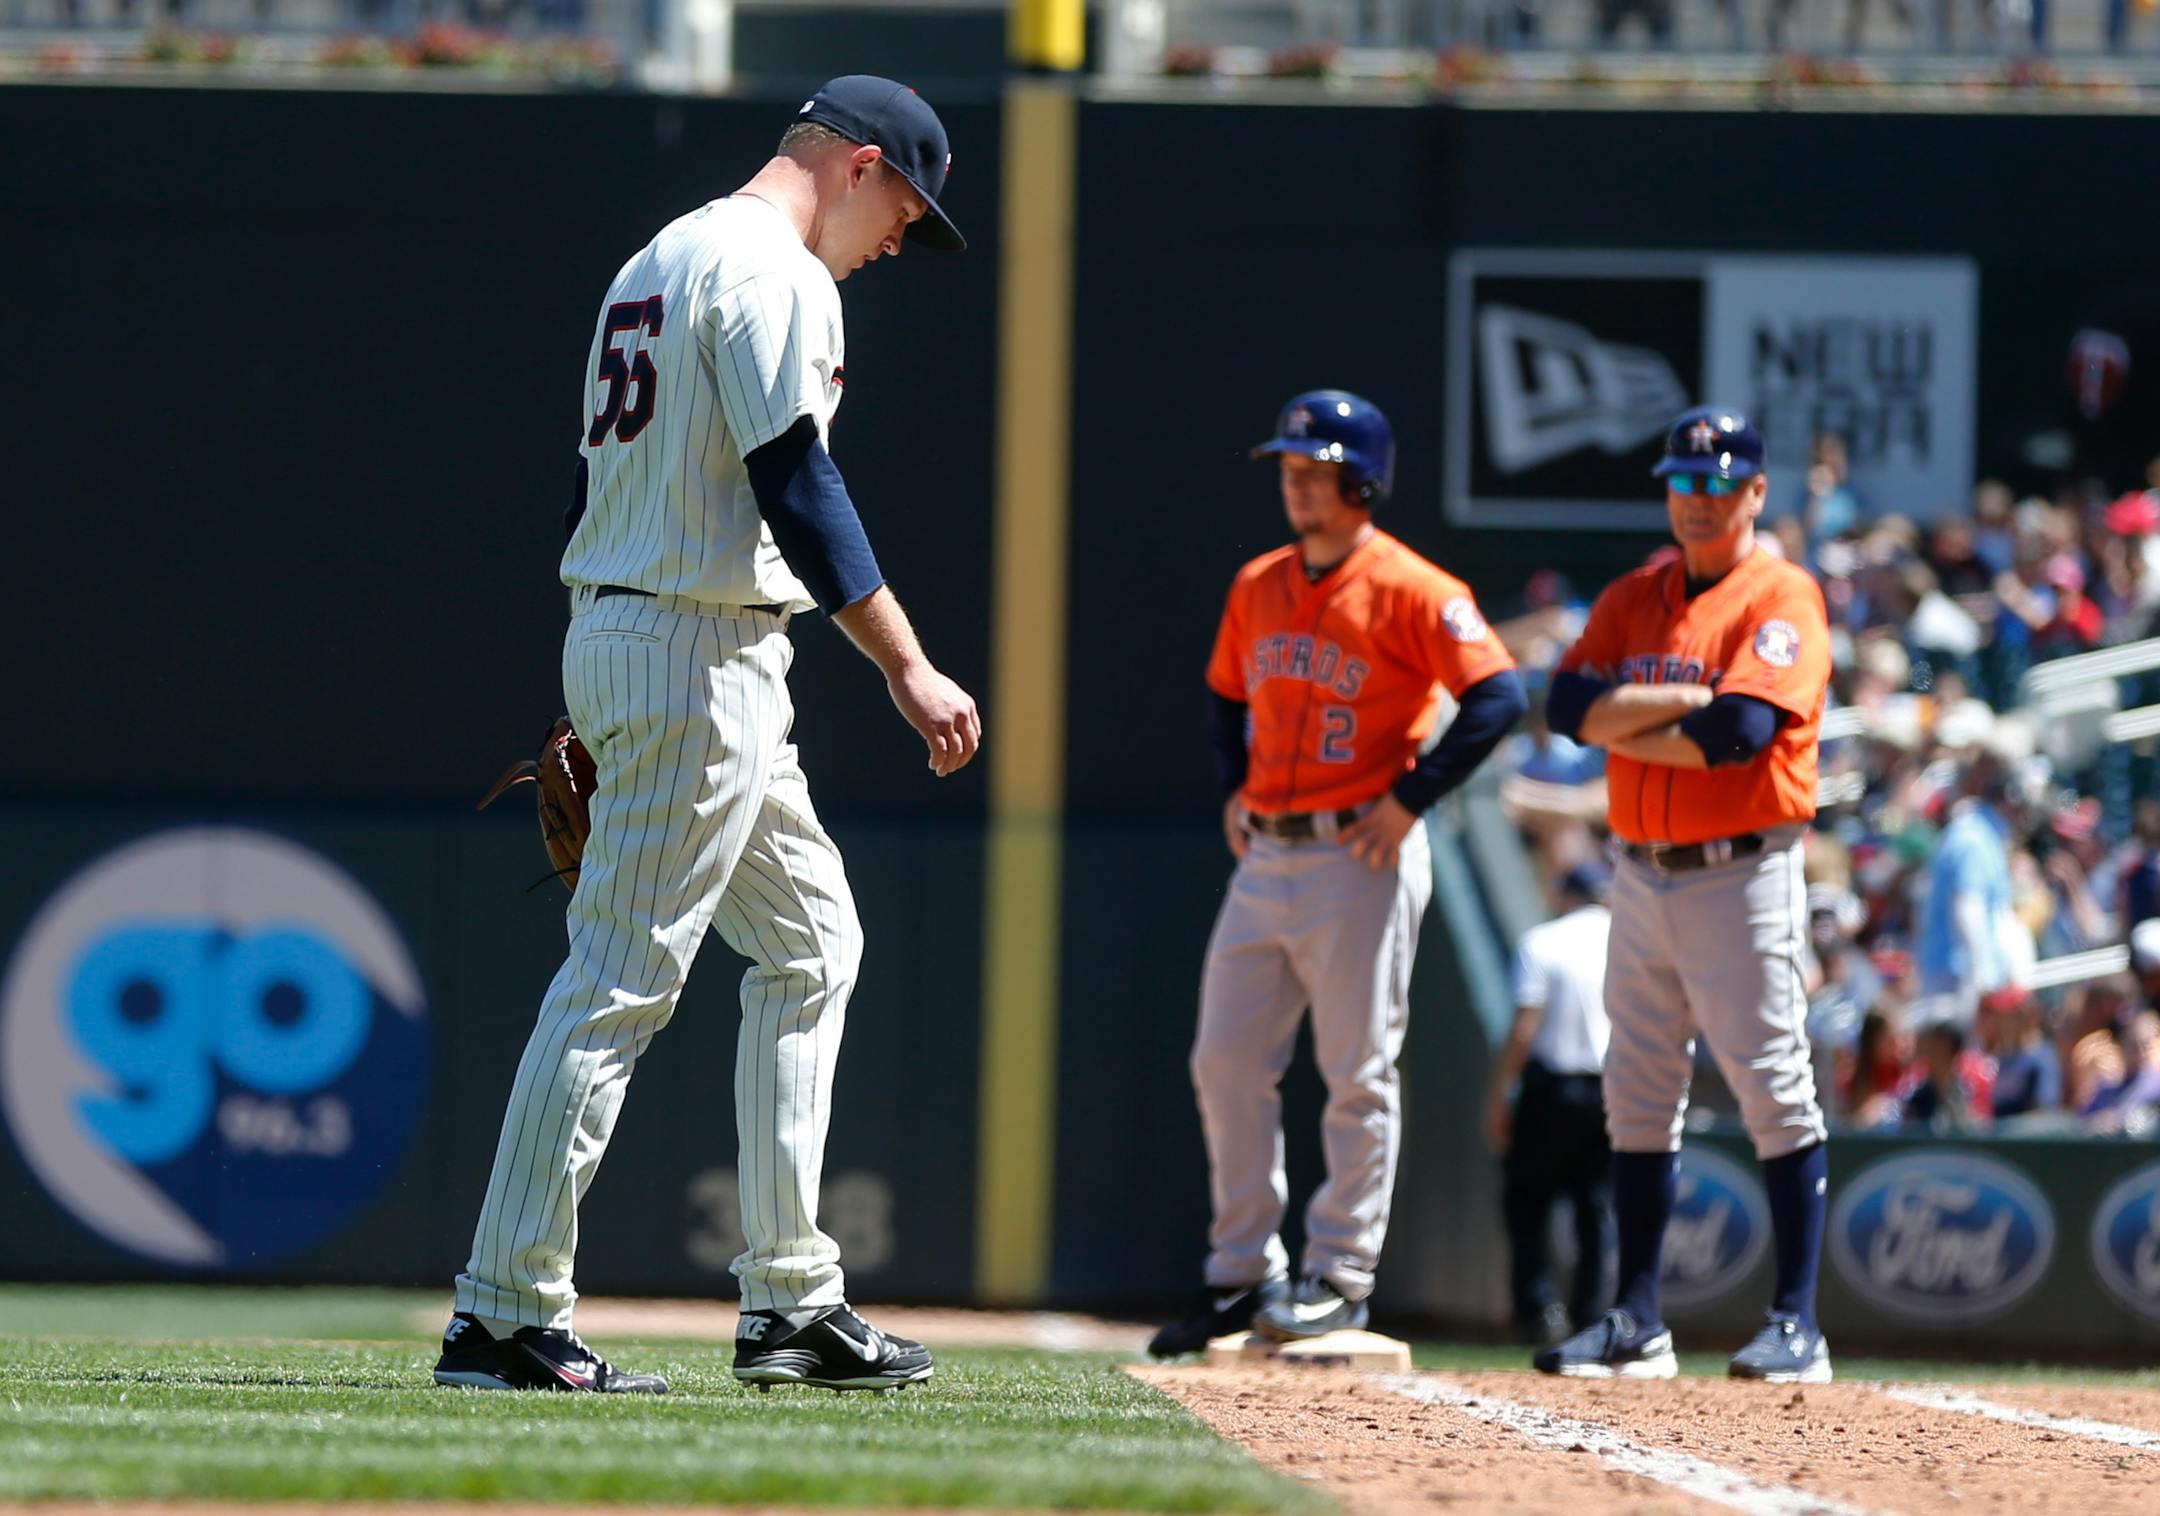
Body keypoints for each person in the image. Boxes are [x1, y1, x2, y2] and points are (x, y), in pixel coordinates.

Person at [434, 77, 981, 1396]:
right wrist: (907, 663)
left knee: (811, 944)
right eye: (907, 205)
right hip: (694, 646)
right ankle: (504, 1311)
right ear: (858, 166)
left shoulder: (661, 256)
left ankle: (790, 1303)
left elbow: (606, 480)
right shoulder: (776, 271)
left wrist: (604, 647)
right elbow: (797, 481)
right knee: (619, 981)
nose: (904, 237)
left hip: (647, 624)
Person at [1147, 391, 1527, 1357]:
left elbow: (1498, 697)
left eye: (1313, 468)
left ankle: (1340, 1275)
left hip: (1362, 851)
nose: (1295, 482)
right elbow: (1223, 695)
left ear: (1362, 481)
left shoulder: (1411, 586)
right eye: (1288, 467)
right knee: (1224, 1060)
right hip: (1268, 848)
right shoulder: (1259, 582)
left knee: (1355, 1071)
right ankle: (1242, 1275)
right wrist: (1235, 786)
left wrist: (1412, 796)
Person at [1537, 405, 1835, 1385]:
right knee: (1637, 1090)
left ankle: (1796, 1322)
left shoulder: (1781, 593)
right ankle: (1636, 1321)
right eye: (1684, 482)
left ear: (1755, 491)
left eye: (1718, 484)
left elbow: (1739, 733)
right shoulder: (1636, 593)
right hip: (1641, 867)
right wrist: (1673, 704)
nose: (1698, 500)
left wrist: (1630, 722)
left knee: (1770, 1083)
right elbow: (1567, 707)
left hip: (1742, 869)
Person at [1490, 862, 1614, 1346]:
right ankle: (1592, 1314)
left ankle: (1539, 1310)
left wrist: (1500, 1094)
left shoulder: (1543, 940)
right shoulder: (1624, 941)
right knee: (1596, 1207)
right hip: (1611, 1088)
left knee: (1527, 1200)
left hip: (1553, 1089)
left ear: (1564, 893)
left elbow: (1525, 1027)